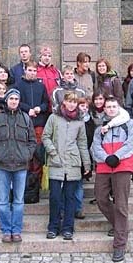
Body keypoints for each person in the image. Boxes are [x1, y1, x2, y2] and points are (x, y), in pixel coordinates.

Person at [0, 88, 37, 243]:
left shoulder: (26, 119)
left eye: (16, 99)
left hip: (21, 165)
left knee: (18, 201)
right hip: (2, 165)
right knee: (3, 201)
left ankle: (16, 230)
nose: (14, 101)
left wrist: (27, 155)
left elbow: (32, 141)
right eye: (11, 99)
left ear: (19, 101)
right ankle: (6, 230)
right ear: (6, 101)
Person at [91, 97, 133, 262]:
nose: (111, 109)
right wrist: (106, 157)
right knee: (101, 198)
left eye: (113, 106)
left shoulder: (129, 124)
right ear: (104, 109)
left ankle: (119, 245)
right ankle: (121, 227)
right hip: (104, 166)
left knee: (121, 204)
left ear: (119, 108)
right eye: (108, 107)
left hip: (123, 166)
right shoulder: (100, 128)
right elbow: (95, 147)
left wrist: (117, 156)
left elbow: (132, 143)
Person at [42, 92, 91, 240]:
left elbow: (82, 143)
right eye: (69, 101)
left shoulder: (79, 121)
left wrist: (86, 163)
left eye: (74, 102)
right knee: (55, 197)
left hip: (73, 162)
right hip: (56, 161)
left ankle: (68, 228)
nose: (72, 104)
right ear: (64, 102)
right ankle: (53, 226)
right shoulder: (54, 118)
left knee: (70, 197)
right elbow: (45, 136)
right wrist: (53, 152)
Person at [14, 61, 49, 182]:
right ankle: (26, 178)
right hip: (23, 122)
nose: (32, 73)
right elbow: (16, 102)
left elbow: (46, 102)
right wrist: (27, 109)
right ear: (25, 70)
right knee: (25, 151)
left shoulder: (41, 86)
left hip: (39, 123)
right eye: (30, 70)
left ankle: (37, 178)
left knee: (38, 151)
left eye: (34, 71)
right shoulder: (18, 85)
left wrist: (40, 108)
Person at [36, 47, 61, 112]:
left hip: (54, 107)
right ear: (40, 57)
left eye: (49, 56)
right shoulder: (35, 71)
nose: (47, 58)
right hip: (40, 107)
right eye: (45, 55)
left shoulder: (56, 71)